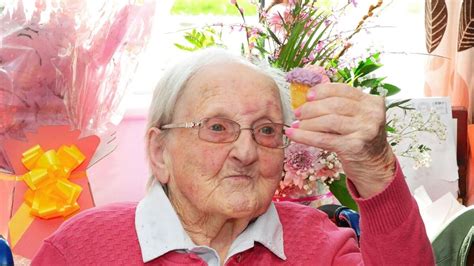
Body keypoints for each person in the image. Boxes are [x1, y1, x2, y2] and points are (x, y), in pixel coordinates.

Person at [31, 48, 435, 265]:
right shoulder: (81, 249)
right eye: (217, 127)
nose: (245, 152)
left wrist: (375, 166)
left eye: (265, 130)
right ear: (159, 152)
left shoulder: (319, 244)